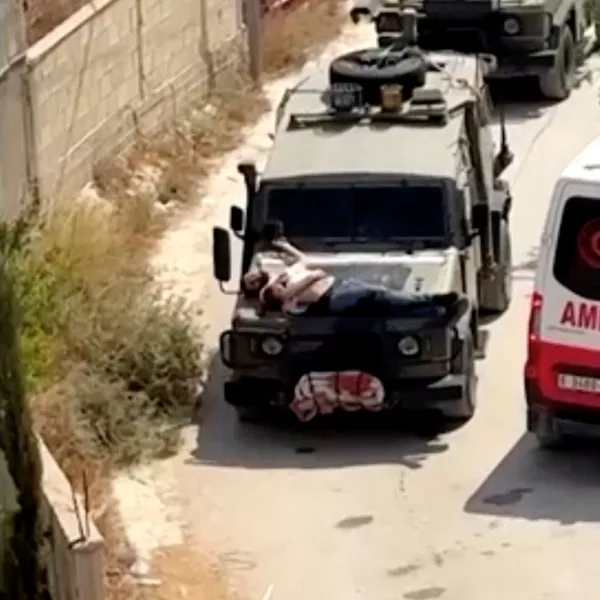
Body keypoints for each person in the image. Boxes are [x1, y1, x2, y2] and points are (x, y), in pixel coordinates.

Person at [242, 238, 470, 321]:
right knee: (380, 297)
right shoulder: (272, 294)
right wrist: (304, 283)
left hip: (339, 285)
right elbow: (297, 290)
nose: (252, 277)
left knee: (384, 301)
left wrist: (286, 247)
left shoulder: (284, 274)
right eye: (250, 281)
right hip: (332, 298)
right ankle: (437, 303)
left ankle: (436, 308)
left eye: (249, 275)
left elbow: (305, 261)